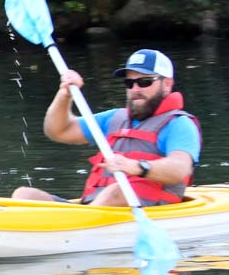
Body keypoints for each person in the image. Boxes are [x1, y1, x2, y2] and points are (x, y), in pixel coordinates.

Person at [13, 48, 199, 207]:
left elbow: (179, 169)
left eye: (144, 82)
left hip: (149, 208)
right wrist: (64, 94)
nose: (136, 89)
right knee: (24, 195)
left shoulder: (179, 124)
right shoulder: (114, 118)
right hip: (94, 208)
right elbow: (58, 130)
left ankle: (79, 230)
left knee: (116, 191)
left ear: (167, 84)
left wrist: (136, 166)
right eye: (129, 83)